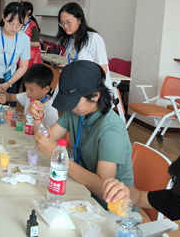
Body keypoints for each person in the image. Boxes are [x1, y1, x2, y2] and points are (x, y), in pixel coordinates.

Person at [28, 60, 133, 208]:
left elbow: (103, 189)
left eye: (74, 102)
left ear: (95, 96)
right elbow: (44, 140)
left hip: (109, 207)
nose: (71, 107)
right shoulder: (76, 112)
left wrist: (56, 154)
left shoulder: (112, 129)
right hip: (82, 190)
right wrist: (37, 117)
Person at [56, 2, 115, 97]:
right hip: (78, 88)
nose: (65, 26)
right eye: (62, 22)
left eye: (69, 22)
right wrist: (68, 70)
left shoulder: (94, 39)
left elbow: (102, 70)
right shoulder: (69, 39)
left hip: (95, 91)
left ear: (79, 20)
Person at [21, 1, 43, 68]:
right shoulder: (18, 23)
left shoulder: (32, 25)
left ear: (29, 11)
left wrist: (21, 42)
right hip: (19, 54)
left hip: (29, 56)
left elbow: (36, 43)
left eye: (22, 8)